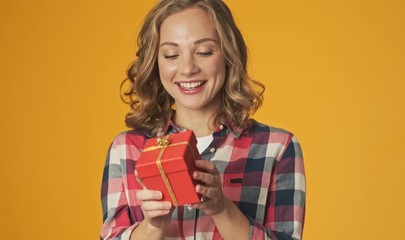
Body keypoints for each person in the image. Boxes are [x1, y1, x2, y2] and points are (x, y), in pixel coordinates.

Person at [100, 0, 306, 239]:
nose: (187, 68)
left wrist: (221, 208)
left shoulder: (277, 148)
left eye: (204, 52)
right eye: (171, 54)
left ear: (228, 55)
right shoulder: (127, 149)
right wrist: (154, 225)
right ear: (156, 64)